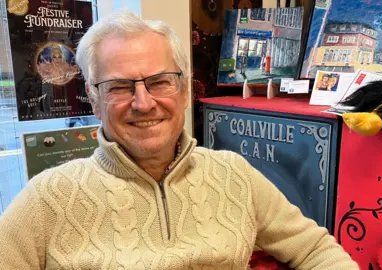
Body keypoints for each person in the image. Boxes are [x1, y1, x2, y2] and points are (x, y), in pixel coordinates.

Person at [0, 10, 359, 270]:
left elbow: (316, 251)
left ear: (185, 91)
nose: (144, 103)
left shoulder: (234, 174)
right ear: (94, 102)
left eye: (159, 82)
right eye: (119, 87)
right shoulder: (47, 198)